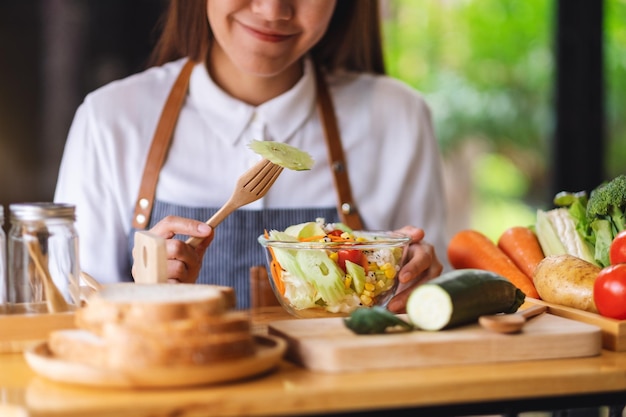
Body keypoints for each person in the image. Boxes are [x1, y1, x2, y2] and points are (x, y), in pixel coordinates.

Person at [54, 0, 448, 312]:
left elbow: (428, 303)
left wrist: (416, 280)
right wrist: (143, 295)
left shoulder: (398, 116)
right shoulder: (109, 118)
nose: (273, 10)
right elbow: (68, 310)